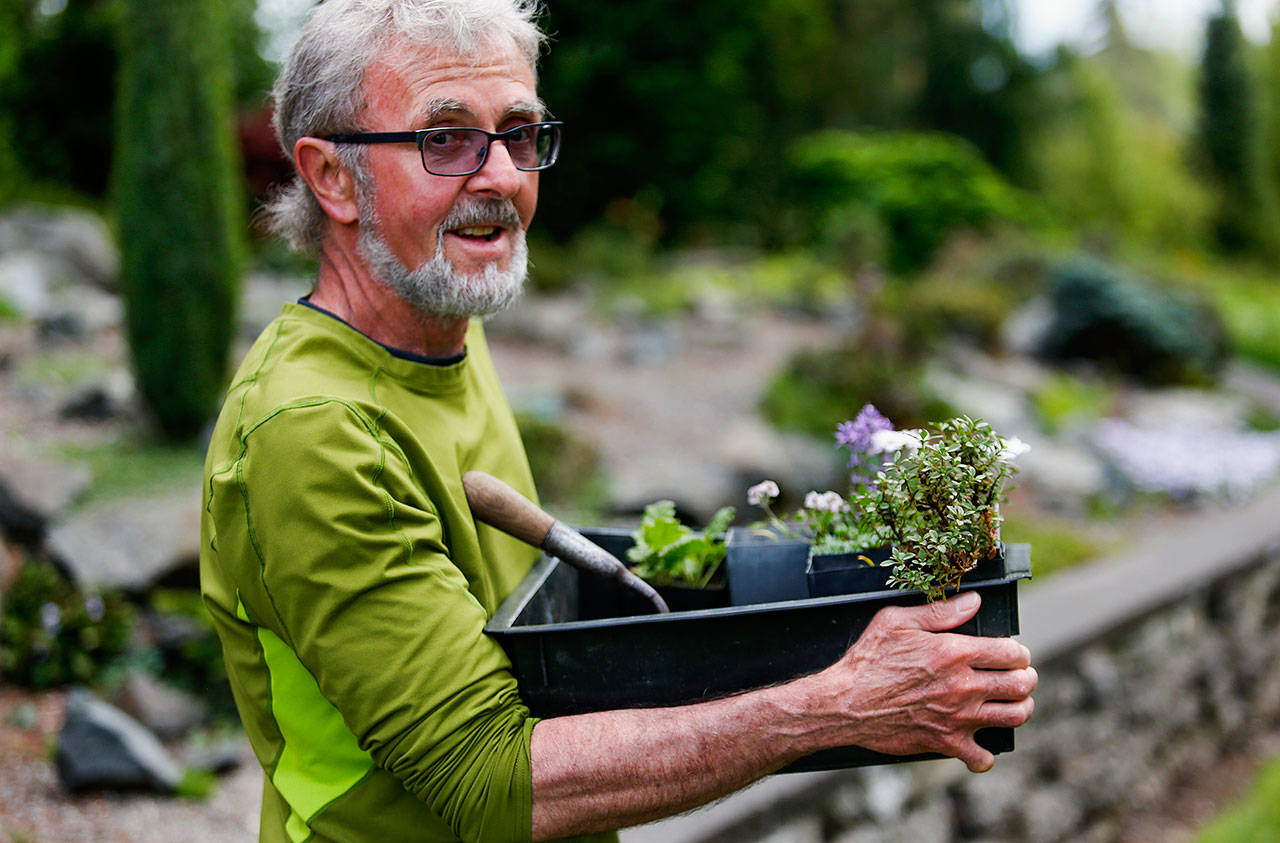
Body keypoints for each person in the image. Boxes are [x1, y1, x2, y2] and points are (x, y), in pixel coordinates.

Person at [198, 1, 1038, 841]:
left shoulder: (439, 322)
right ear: (332, 176)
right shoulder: (311, 429)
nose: (499, 177)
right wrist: (838, 702)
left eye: (518, 133)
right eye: (443, 139)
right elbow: (495, 781)